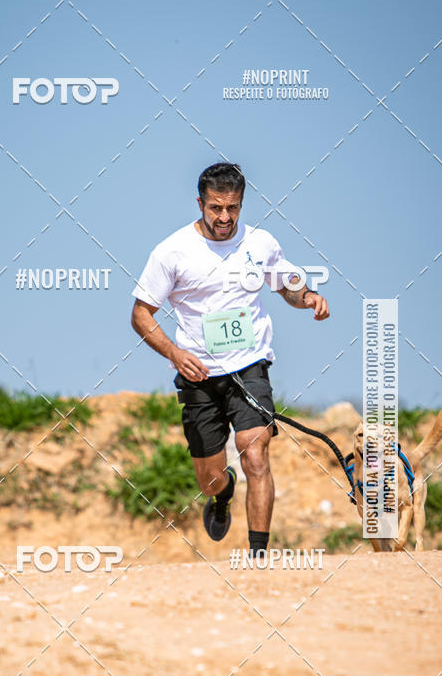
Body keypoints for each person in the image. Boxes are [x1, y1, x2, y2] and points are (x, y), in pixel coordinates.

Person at [130, 162, 329, 555]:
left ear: (241, 204)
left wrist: (307, 297)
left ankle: (259, 555)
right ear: (200, 203)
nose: (225, 217)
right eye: (216, 208)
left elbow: (286, 283)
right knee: (210, 476)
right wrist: (175, 352)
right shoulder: (172, 252)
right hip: (199, 375)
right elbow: (140, 314)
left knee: (255, 452)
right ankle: (221, 497)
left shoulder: (260, 244)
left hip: (250, 365)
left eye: (233, 208)